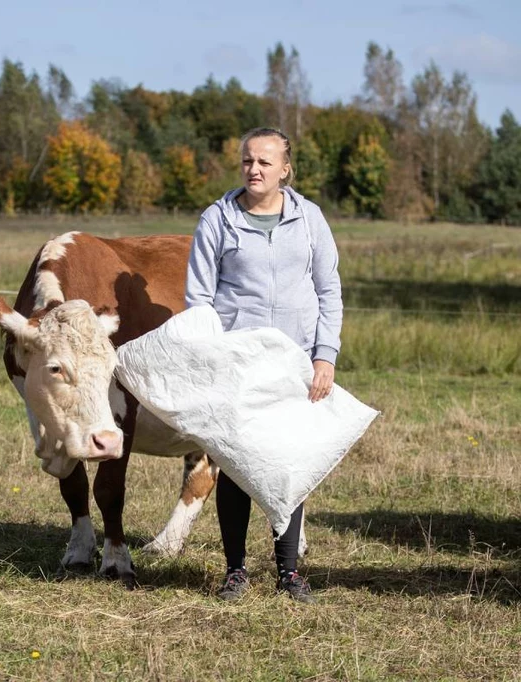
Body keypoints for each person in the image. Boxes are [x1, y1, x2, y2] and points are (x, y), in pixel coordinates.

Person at [185, 127, 343, 604]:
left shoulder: (309, 218)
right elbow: (198, 299)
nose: (255, 170)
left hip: (295, 363)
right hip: (238, 362)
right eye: (248, 161)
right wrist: (212, 359)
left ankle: (289, 572)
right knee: (234, 467)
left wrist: (324, 356)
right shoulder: (217, 219)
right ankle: (235, 571)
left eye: (265, 163)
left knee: (285, 465)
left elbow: (328, 290)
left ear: (285, 170)